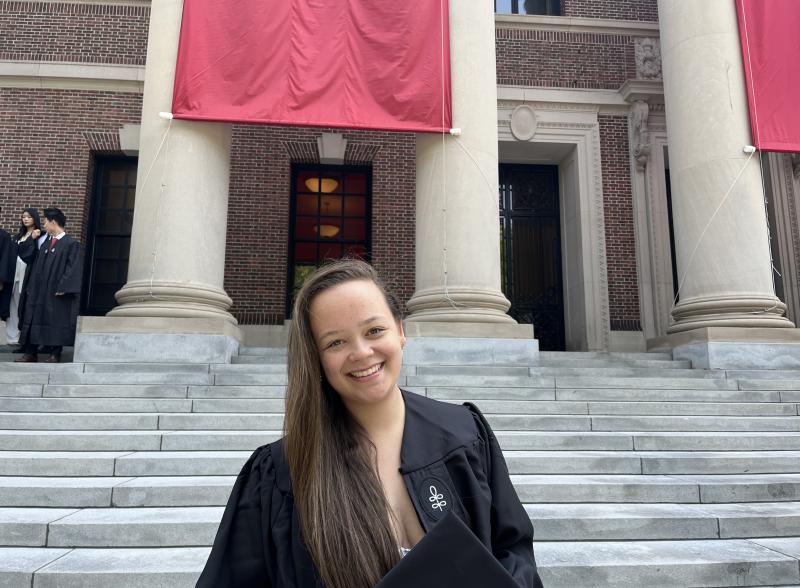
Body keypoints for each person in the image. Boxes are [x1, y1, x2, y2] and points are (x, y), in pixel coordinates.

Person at [197, 259, 544, 588]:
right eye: (336, 342)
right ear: (316, 359)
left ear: (400, 331)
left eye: (374, 330)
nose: (362, 352)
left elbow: (514, 552)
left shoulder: (464, 434)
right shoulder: (281, 473)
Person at [15, 207, 82, 363]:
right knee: (33, 318)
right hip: (39, 290)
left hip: (56, 291)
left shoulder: (70, 244)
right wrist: (31, 239)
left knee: (55, 320)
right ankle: (31, 353)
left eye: (45, 221)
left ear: (53, 222)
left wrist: (63, 287)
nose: (43, 224)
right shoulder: (44, 243)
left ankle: (54, 353)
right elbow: (28, 257)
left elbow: (73, 268)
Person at [5, 208, 45, 347]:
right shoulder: (17, 236)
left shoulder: (40, 235)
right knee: (13, 304)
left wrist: (32, 238)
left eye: (28, 216)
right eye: (23, 217)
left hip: (28, 272)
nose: (25, 219)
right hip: (15, 271)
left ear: (35, 218)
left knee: (25, 304)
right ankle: (12, 337)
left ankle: (25, 336)